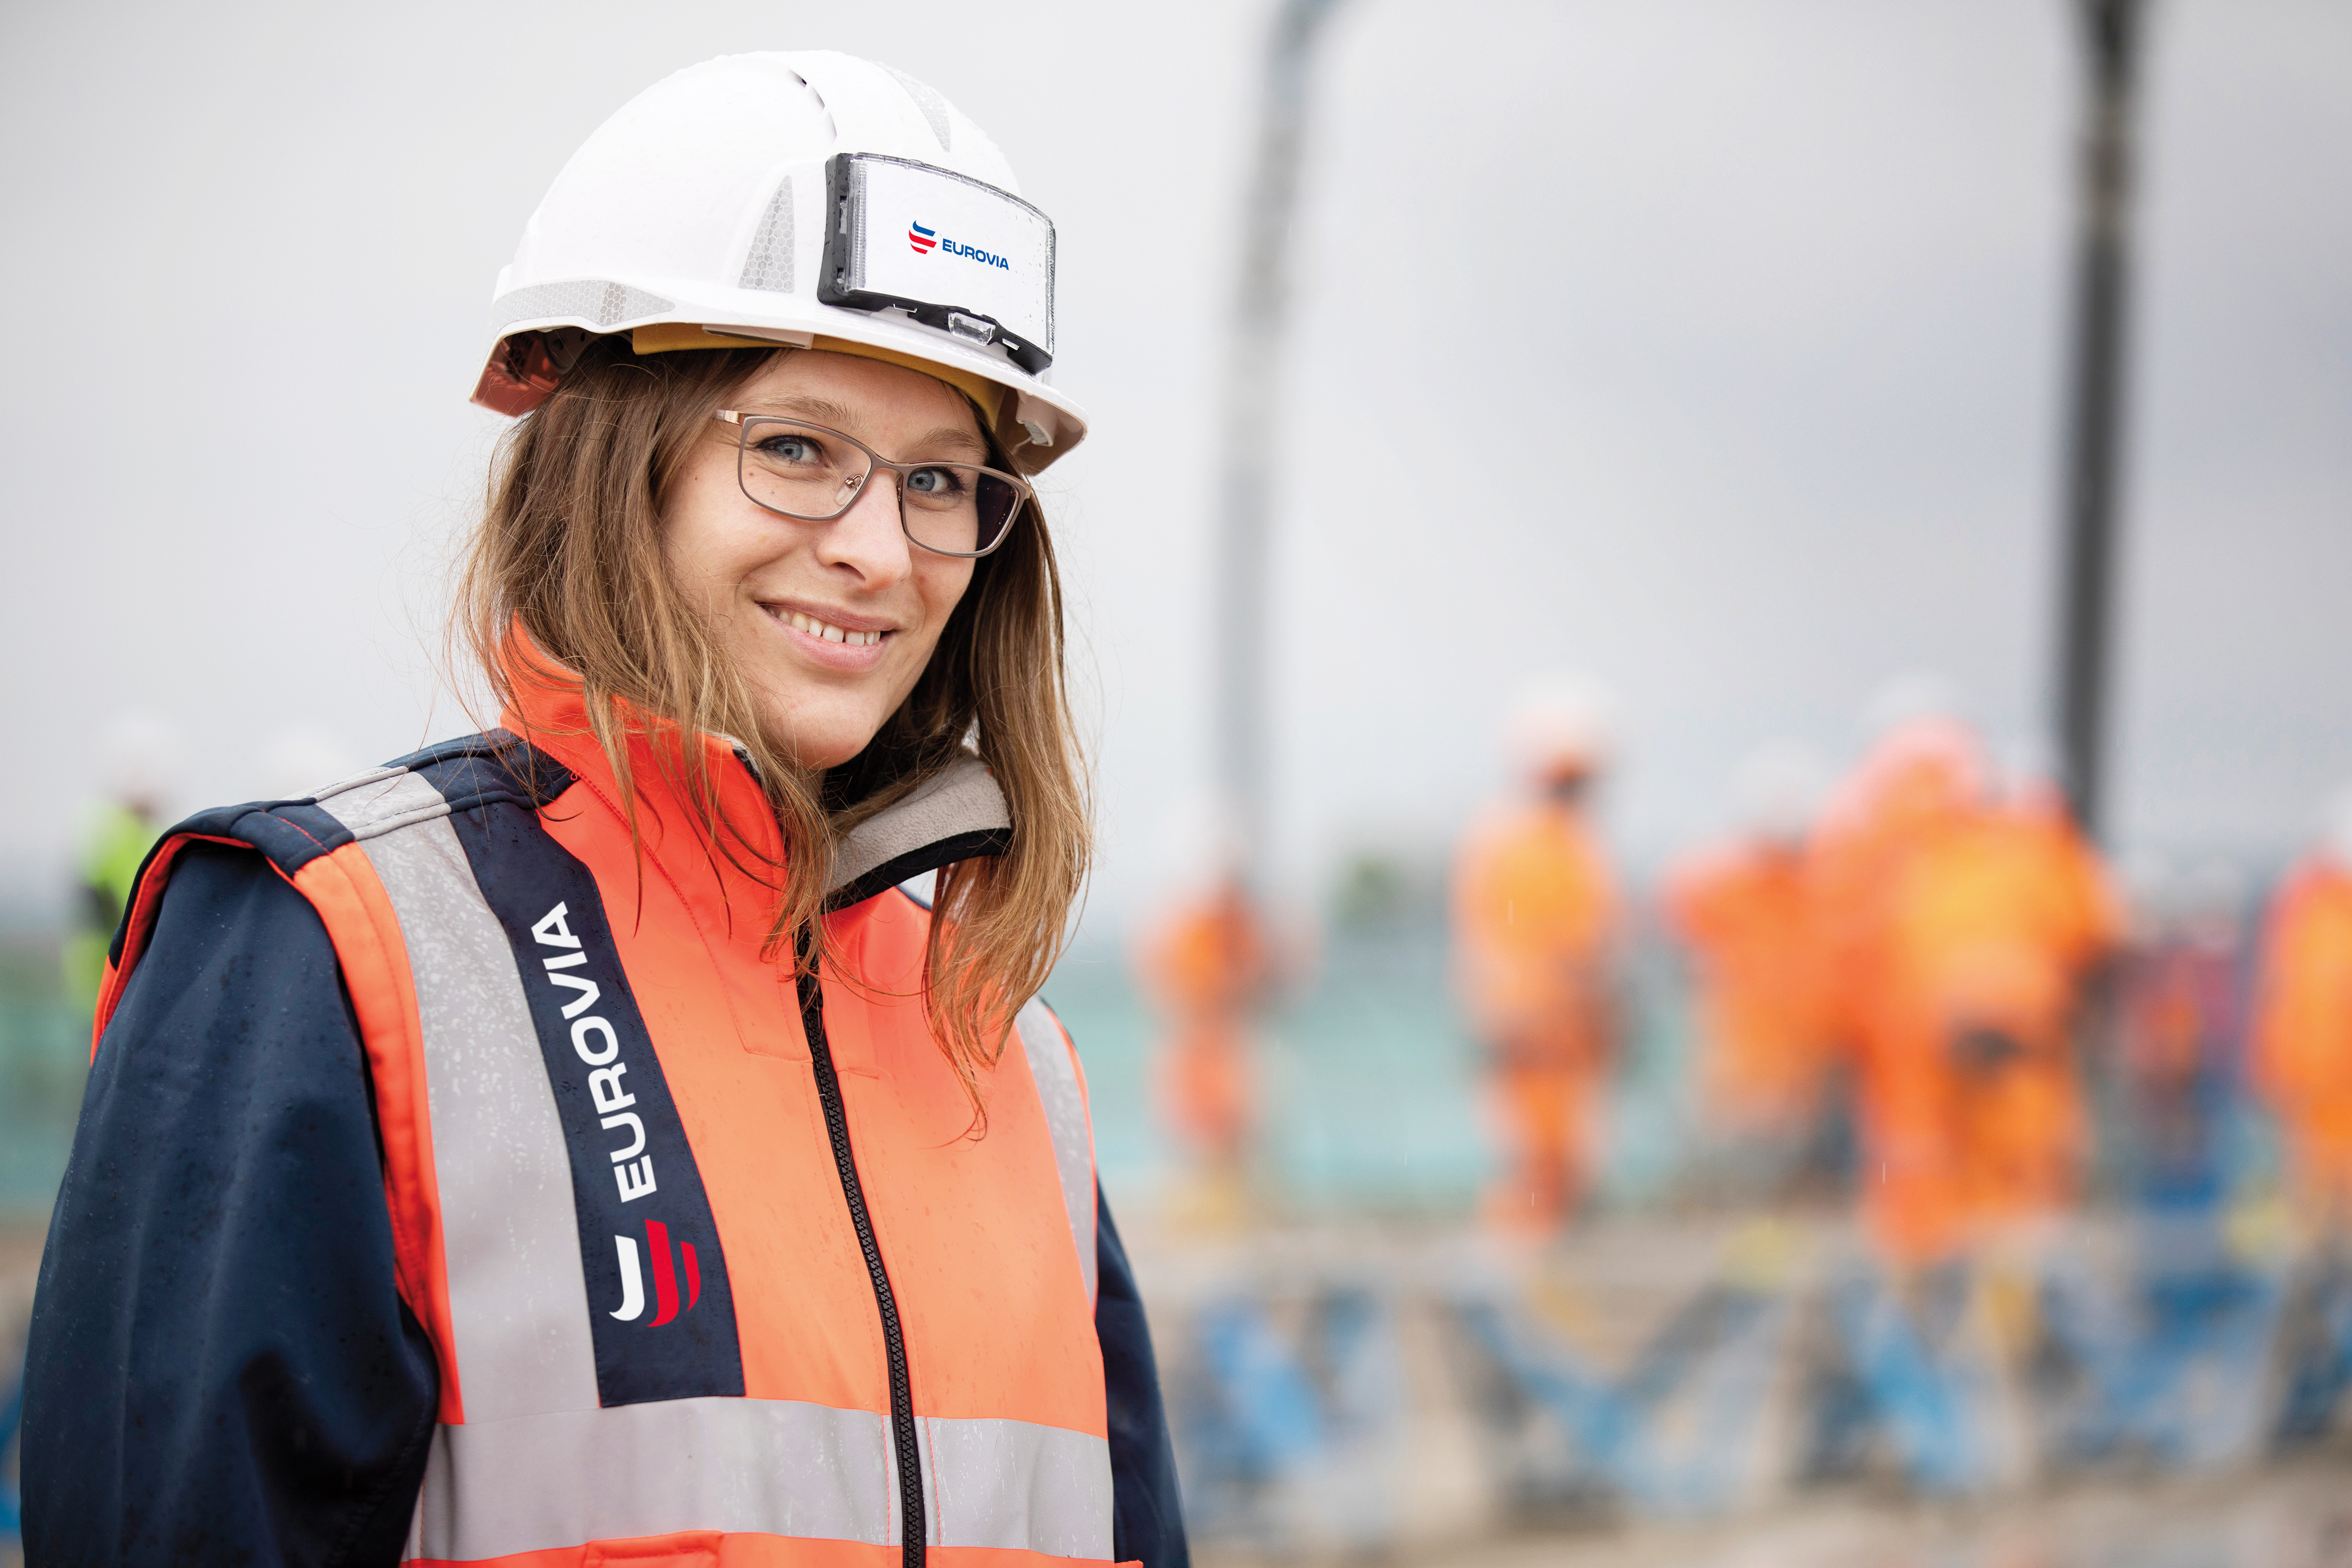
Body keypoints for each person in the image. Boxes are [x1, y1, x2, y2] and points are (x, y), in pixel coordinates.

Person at [25, 53, 1185, 1567]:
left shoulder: (1011, 1052)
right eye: (795, 450)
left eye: (940, 478)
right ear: (609, 463)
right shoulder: (336, 955)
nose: (879, 551)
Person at [1452, 675, 1621, 1233]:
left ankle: (1528, 1274)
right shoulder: (1538, 848)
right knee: (1539, 1167)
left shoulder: (1538, 844)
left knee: (1552, 1167)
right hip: (1537, 1037)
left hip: (1551, 1038)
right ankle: (1518, 1276)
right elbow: (1569, 952)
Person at [1664, 744, 1834, 1192]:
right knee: (1732, 1156)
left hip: (1795, 1052)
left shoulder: (1818, 889)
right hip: (1739, 1049)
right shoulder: (1719, 886)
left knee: (1784, 1162)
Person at [2252, 788, 2352, 1232]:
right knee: (2313, 1224)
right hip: (2313, 1100)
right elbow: (2283, 1000)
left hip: (2319, 1096)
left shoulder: (2307, 907)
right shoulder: (2307, 907)